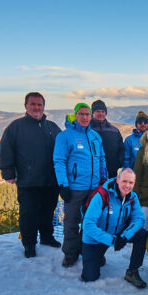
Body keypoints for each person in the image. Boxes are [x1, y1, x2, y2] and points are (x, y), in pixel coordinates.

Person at [0, 92, 62, 257]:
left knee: (48, 211)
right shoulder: (16, 127)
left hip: (51, 180)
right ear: (26, 106)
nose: (36, 107)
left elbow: (64, 150)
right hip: (28, 181)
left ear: (44, 107)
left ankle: (47, 237)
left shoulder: (52, 127)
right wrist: (8, 173)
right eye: (33, 104)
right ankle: (29, 244)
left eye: (39, 104)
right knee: (29, 214)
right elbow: (5, 150)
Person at [53, 103, 107, 267]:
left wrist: (104, 180)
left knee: (91, 221)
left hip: (94, 188)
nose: (84, 117)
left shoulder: (95, 137)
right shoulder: (65, 136)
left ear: (91, 117)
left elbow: (101, 159)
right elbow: (59, 160)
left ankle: (88, 249)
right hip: (75, 188)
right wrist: (63, 184)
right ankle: (70, 253)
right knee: (71, 222)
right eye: (81, 114)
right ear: (75, 116)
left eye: (87, 115)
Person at [80, 169, 147, 287]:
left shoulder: (132, 197)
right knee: (90, 278)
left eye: (131, 183)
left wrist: (124, 236)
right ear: (117, 180)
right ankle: (90, 254)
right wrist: (113, 241)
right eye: (124, 181)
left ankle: (133, 271)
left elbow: (139, 219)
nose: (127, 186)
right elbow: (88, 225)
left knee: (141, 234)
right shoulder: (102, 195)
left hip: (118, 233)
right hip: (96, 238)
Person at [90, 100, 124, 178]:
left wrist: (119, 163)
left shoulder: (114, 130)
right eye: (98, 111)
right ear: (92, 113)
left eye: (103, 111)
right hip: (93, 173)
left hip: (112, 172)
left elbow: (121, 149)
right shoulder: (88, 130)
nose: (100, 114)